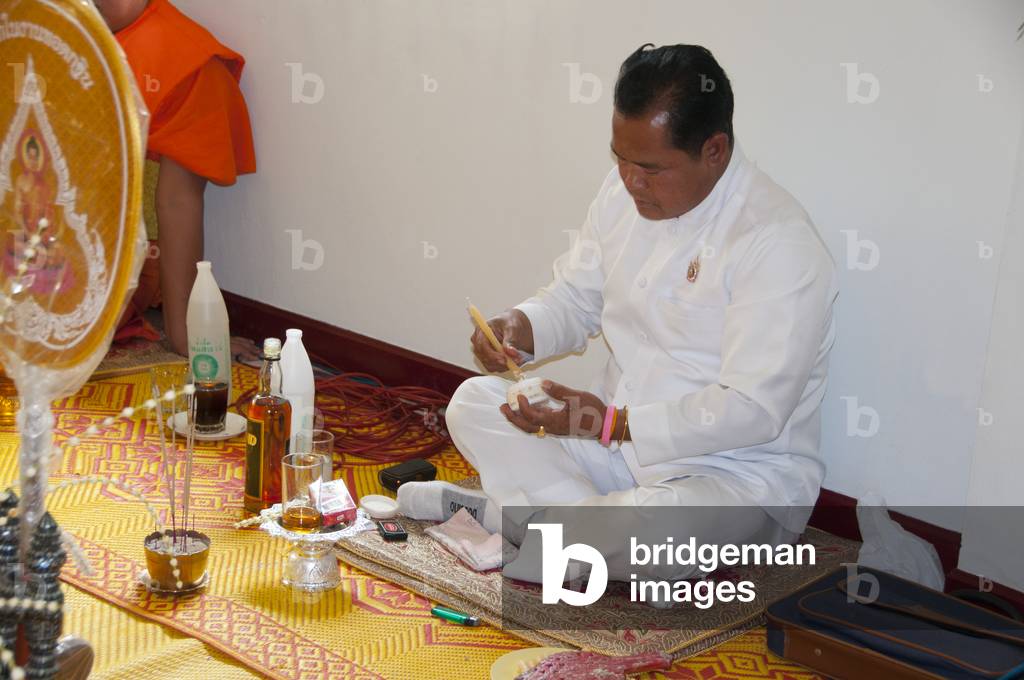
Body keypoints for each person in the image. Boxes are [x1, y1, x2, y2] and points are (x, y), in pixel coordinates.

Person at [398, 44, 839, 586]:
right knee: (478, 403)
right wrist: (520, 327)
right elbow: (576, 299)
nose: (630, 181)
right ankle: (576, 539)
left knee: (664, 529)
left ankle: (514, 519)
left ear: (715, 151)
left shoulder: (778, 244)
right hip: (610, 448)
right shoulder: (623, 193)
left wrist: (611, 423)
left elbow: (751, 411)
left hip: (732, 479)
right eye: (621, 160)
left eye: (650, 169)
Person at [95, 0, 259, 360]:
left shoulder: (187, 67)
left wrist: (188, 333)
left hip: (86, 272)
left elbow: (177, 202)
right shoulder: (35, 32)